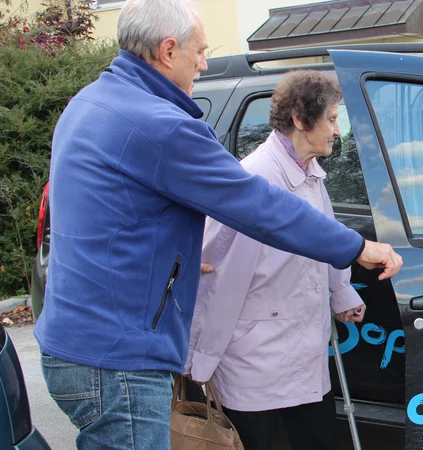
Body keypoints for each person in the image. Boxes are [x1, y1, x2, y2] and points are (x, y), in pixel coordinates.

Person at [33, 0, 402, 449]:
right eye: (200, 51)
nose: (204, 63)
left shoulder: (87, 103)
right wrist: (356, 248)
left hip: (70, 342)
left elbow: (117, 217)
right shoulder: (159, 126)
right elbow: (255, 204)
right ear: (168, 51)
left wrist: (182, 259)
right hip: (119, 358)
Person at [186, 70, 364, 450]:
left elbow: (325, 236)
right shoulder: (255, 177)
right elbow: (216, 275)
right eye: (331, 120)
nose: (337, 132)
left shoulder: (310, 172)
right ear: (300, 119)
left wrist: (342, 293)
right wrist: (199, 358)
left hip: (302, 349)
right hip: (256, 357)